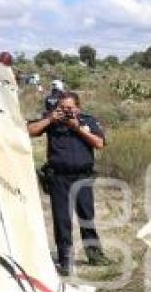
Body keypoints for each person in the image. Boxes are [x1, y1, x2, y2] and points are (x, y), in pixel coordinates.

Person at [27, 92, 109, 275]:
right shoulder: (51, 121)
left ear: (78, 107)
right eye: (62, 108)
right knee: (62, 220)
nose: (66, 111)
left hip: (83, 177)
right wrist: (50, 119)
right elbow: (29, 132)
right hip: (59, 178)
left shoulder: (87, 121)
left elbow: (99, 143)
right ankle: (65, 261)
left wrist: (77, 128)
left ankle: (95, 255)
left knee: (87, 217)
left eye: (70, 108)